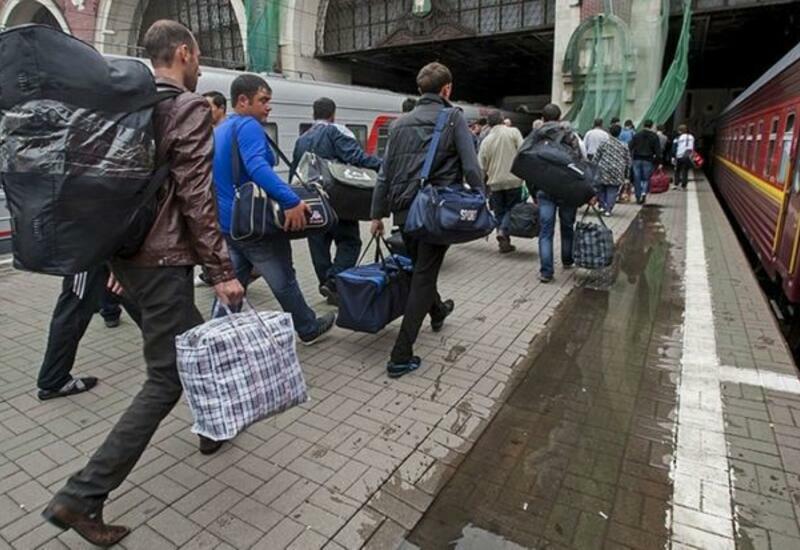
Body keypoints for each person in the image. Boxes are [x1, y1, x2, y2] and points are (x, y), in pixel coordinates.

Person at [43, 20, 245, 546]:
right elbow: (196, 196)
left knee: (199, 343)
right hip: (162, 262)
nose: (199, 67)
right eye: (197, 56)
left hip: (128, 257)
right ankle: (82, 495)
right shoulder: (186, 107)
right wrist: (222, 272)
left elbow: (102, 188)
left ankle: (212, 428)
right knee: (165, 378)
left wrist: (111, 261)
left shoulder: (119, 105)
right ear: (184, 53)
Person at [370, 62, 483, 378]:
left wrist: (377, 214)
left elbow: (384, 174)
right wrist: (481, 196)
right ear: (447, 89)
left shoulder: (399, 124)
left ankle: (438, 310)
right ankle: (400, 355)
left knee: (422, 269)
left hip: (404, 212)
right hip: (435, 212)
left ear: (420, 89)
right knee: (423, 276)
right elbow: (471, 166)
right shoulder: (453, 118)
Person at [212, 74, 336, 340]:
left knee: (234, 282)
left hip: (229, 224)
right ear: (243, 101)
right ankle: (308, 328)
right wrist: (291, 200)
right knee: (283, 279)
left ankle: (214, 336)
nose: (268, 107)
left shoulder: (219, 129)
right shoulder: (248, 126)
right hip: (254, 224)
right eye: (263, 100)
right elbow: (258, 166)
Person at [291, 97, 382, 304]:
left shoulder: (301, 139)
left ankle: (326, 282)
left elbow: (295, 172)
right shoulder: (335, 132)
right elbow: (357, 158)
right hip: (339, 200)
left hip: (312, 201)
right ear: (333, 114)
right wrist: (383, 164)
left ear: (313, 114)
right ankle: (333, 282)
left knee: (318, 243)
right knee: (350, 241)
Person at [36, 266, 141, 401]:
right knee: (72, 311)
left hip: (97, 257)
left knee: (127, 288)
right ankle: (54, 379)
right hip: (87, 259)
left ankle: (164, 347)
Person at [531, 103, 584, 283]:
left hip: (544, 189)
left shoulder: (536, 136)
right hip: (567, 189)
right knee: (567, 226)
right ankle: (567, 260)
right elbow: (579, 162)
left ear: (543, 118)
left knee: (546, 231)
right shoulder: (570, 135)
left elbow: (528, 165)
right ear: (560, 118)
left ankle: (546, 272)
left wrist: (533, 191)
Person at [478, 109, 524, 253]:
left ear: (489, 123)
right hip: (513, 179)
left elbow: (481, 165)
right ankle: (503, 231)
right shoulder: (513, 132)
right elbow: (523, 152)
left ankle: (504, 243)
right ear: (503, 119)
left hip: (495, 182)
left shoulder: (486, 141)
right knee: (512, 209)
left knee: (499, 212)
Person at [593, 124, 631, 216]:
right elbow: (628, 160)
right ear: (619, 133)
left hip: (603, 169)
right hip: (617, 171)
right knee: (612, 190)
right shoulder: (624, 145)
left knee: (601, 188)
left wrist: (593, 167)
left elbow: (596, 157)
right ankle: (608, 210)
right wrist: (627, 173)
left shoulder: (604, 143)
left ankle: (602, 206)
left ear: (609, 132)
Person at [629, 119, 662, 204]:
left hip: (636, 159)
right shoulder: (654, 136)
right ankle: (644, 192)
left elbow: (630, 146)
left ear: (643, 125)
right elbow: (658, 151)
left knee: (637, 178)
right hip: (648, 159)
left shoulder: (637, 135)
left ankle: (638, 196)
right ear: (651, 126)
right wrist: (659, 162)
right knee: (646, 178)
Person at [673, 124, 695, 189]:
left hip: (679, 156)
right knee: (685, 171)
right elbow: (693, 146)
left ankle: (676, 184)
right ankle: (684, 186)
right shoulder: (691, 137)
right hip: (688, 156)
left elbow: (674, 148)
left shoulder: (677, 138)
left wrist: (673, 156)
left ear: (680, 131)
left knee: (677, 170)